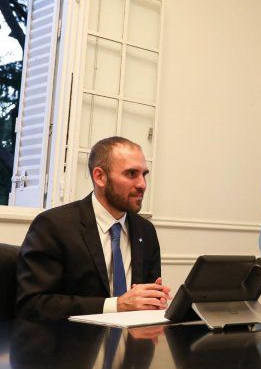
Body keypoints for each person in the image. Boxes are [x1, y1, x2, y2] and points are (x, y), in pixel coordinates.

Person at [16, 136, 170, 320]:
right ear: (100, 177)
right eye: (131, 174)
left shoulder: (146, 231)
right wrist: (116, 305)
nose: (142, 185)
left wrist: (154, 301)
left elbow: (145, 301)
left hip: (134, 343)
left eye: (144, 174)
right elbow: (32, 305)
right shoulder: (53, 225)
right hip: (72, 343)